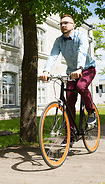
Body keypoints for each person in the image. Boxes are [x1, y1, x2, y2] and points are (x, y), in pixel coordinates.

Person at [39, 14, 96, 145]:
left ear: (73, 25)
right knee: (69, 104)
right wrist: (46, 71)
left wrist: (80, 68)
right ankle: (69, 135)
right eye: (61, 23)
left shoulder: (80, 36)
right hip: (71, 73)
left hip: (87, 68)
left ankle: (91, 112)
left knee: (81, 87)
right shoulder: (59, 41)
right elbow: (53, 56)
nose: (63, 25)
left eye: (66, 23)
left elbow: (82, 51)